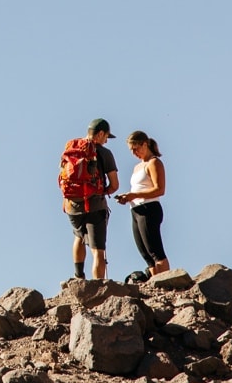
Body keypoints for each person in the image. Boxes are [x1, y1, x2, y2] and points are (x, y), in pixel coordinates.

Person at [60, 117, 119, 281]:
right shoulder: (104, 153)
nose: (106, 140)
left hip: (72, 205)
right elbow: (115, 185)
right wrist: (101, 191)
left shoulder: (72, 148)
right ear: (100, 134)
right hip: (95, 204)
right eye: (106, 136)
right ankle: (98, 285)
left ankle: (78, 276)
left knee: (78, 237)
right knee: (98, 249)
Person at [115, 130, 169, 280]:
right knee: (146, 254)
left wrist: (134, 195)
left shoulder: (154, 162)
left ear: (144, 144)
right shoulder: (137, 167)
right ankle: (155, 282)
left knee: (155, 250)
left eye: (135, 148)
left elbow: (160, 189)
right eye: (131, 150)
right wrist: (128, 197)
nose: (134, 153)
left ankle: (167, 282)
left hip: (149, 208)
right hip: (135, 209)